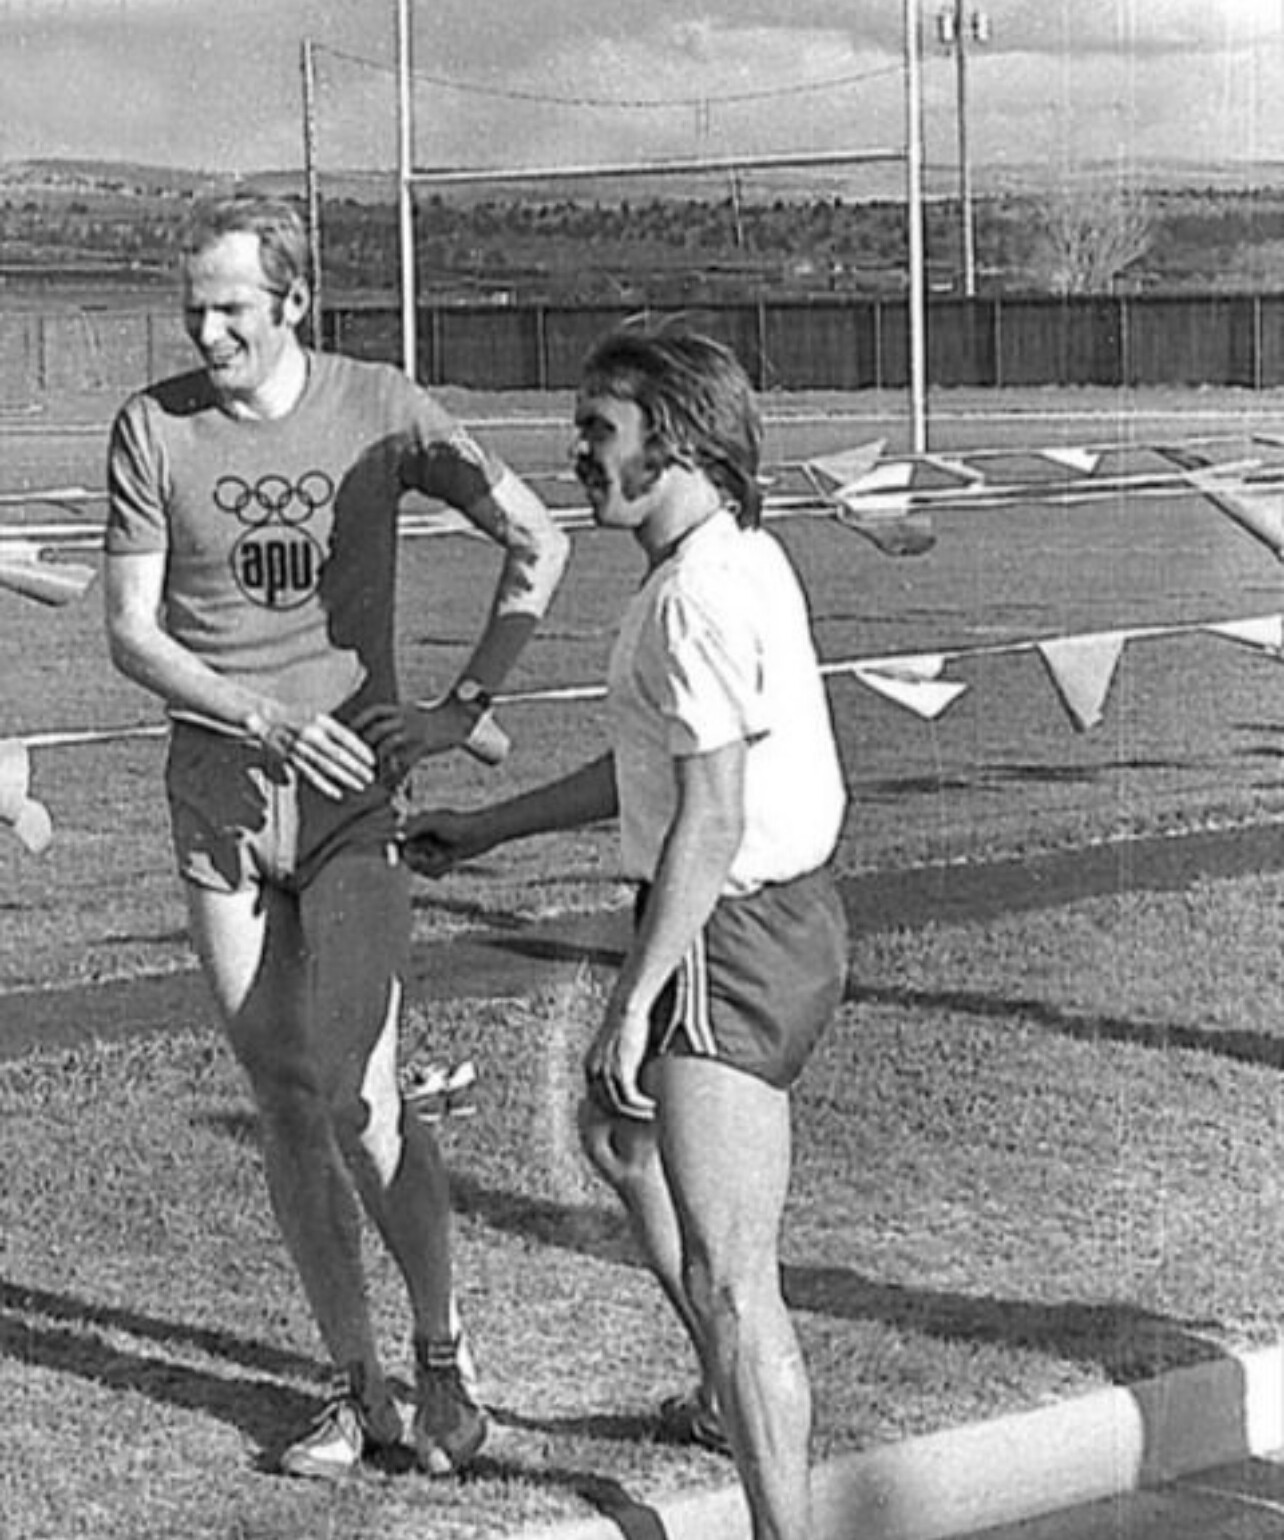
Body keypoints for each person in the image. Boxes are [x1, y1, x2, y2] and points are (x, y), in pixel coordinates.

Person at [102, 195, 570, 1480]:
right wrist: (261, 715)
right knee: (284, 1096)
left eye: (232, 311)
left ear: (295, 302)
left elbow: (537, 539)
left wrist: (461, 706)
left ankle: (442, 1356)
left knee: (360, 1092)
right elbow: (131, 631)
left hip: (355, 804)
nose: (207, 333)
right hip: (221, 806)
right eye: (193, 311)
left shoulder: (381, 406)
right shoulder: (151, 427)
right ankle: (354, 1383)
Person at [404, 322, 849, 1540]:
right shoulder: (736, 557)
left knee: (735, 1281)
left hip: (725, 937)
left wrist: (635, 999)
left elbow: (712, 815)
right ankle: (718, 1394)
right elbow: (656, 764)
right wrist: (487, 830)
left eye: (599, 430)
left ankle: (769, 1492)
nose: (577, 454)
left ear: (679, 442)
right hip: (773, 919)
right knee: (619, 1136)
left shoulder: (692, 599)